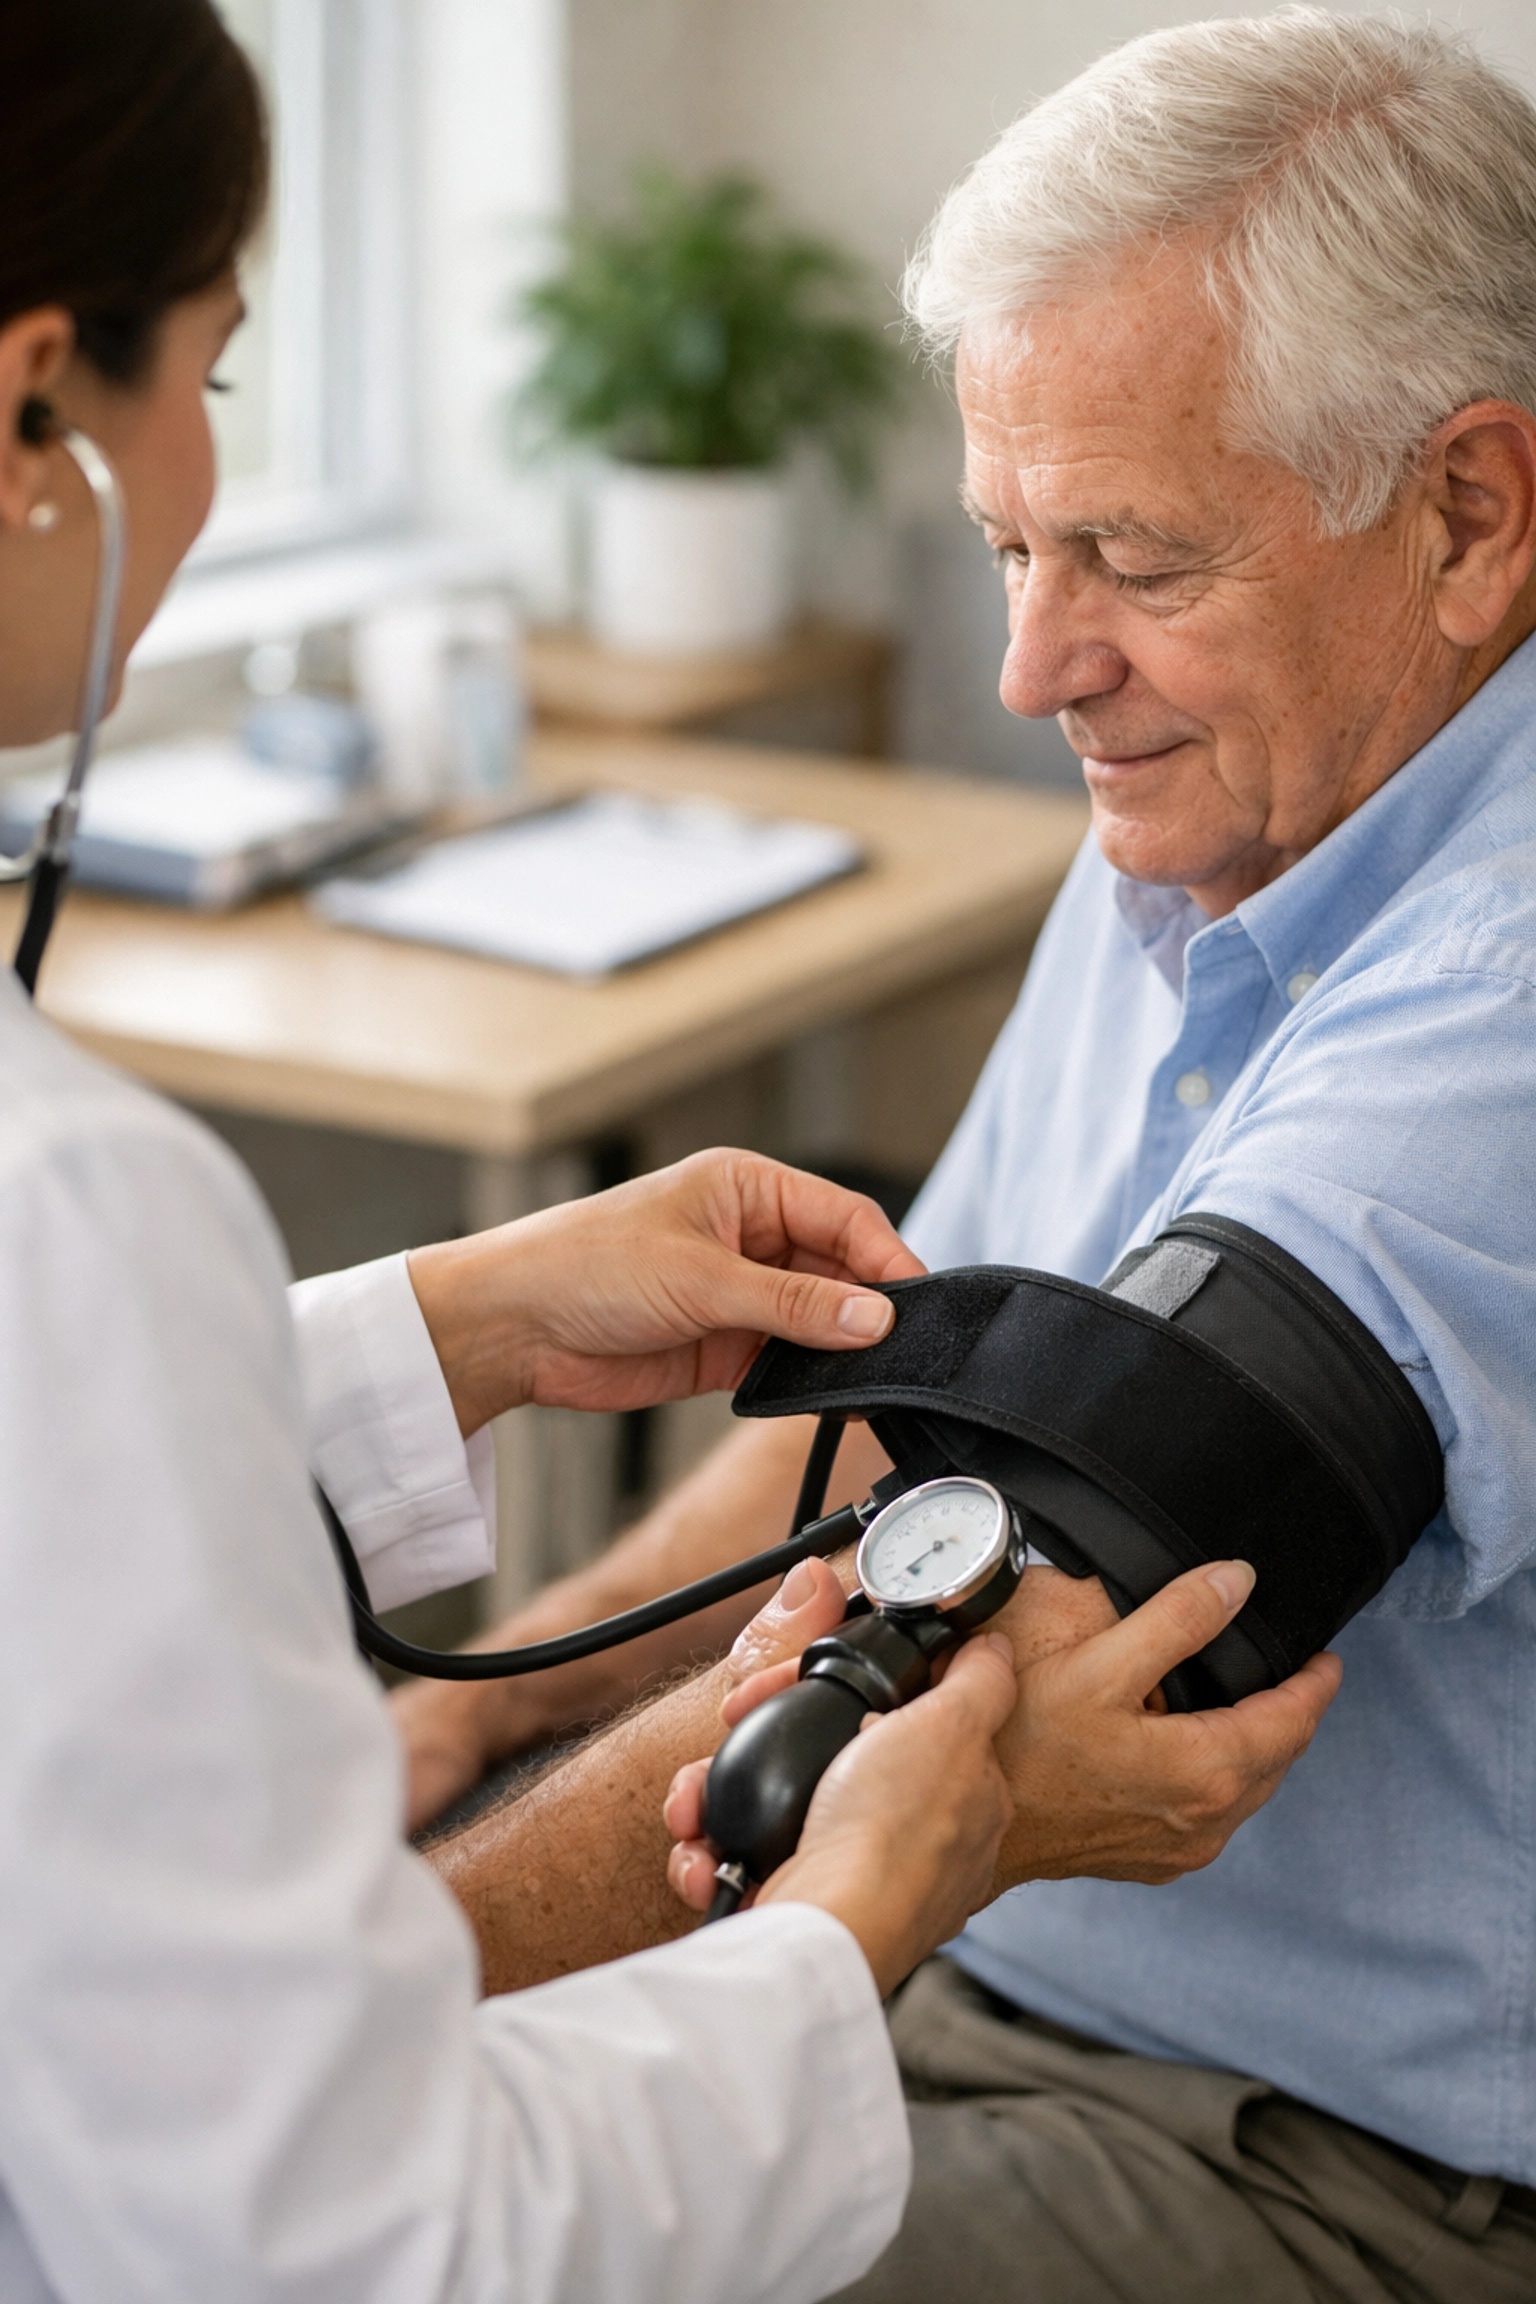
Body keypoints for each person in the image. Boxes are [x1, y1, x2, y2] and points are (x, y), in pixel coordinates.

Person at [0, 8, 1340, 2302]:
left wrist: (461, 1349)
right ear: (39, 413)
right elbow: (343, 2241)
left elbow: (906, 1406)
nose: (1029, 673)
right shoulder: (75, 1212)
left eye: (1126, 551)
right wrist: (874, 1898)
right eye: (213, 383)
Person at [399, 12, 1536, 2301]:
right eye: (1009, 543)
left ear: (1470, 514)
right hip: (930, 1965)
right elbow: (913, 1436)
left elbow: (968, 1623)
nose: (1032, 668)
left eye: (1128, 554)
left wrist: (333, 2005)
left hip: (1314, 2157)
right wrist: (466, 1711)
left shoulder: (1496, 985)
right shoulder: (1214, 816)